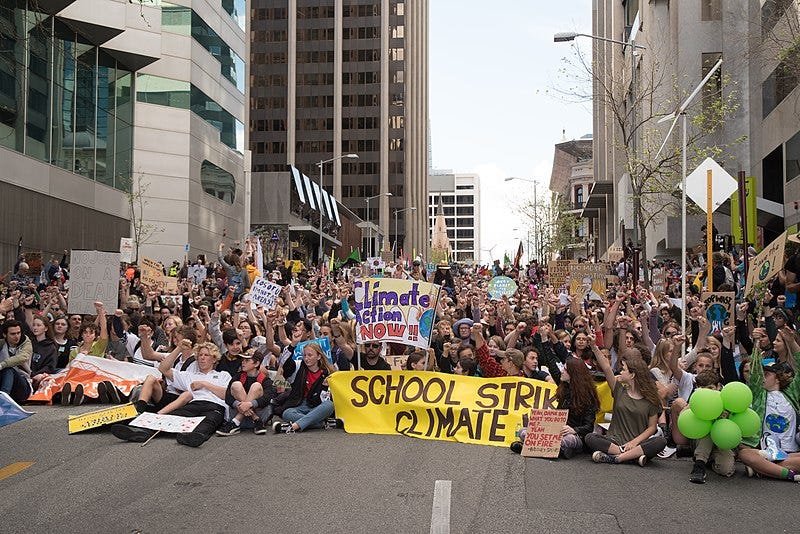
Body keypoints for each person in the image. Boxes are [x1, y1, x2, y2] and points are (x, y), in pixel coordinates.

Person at [111, 342, 230, 447]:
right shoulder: (190, 376)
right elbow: (163, 369)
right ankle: (140, 432)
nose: (202, 358)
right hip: (194, 404)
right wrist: (178, 348)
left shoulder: (223, 375)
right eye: (200, 355)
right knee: (170, 418)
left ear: (214, 359)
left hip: (215, 406)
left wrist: (204, 384)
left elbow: (226, 395)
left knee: (210, 420)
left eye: (206, 355)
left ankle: (193, 436)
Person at [585, 347, 667, 466]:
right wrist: (594, 346)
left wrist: (634, 442)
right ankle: (631, 457)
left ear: (632, 375)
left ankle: (617, 458)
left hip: (638, 443)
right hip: (614, 441)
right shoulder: (619, 390)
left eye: (624, 370)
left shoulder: (651, 399)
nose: (621, 372)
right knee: (590, 438)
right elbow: (607, 368)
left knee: (660, 441)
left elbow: (652, 428)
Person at [510, 357, 600, 458]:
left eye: (565, 369)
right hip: (557, 431)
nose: (561, 371)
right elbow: (558, 415)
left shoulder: (587, 396)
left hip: (575, 435)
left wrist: (574, 430)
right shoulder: (564, 388)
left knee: (567, 440)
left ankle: (530, 448)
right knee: (523, 432)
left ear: (573, 373)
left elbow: (589, 427)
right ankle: (555, 451)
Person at [272, 342, 336, 433]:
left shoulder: (327, 373)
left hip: (317, 406)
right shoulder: (299, 367)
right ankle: (320, 424)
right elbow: (284, 363)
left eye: (310, 355)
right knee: (287, 413)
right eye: (304, 355)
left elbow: (325, 400)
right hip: (300, 405)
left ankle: (295, 426)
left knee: (329, 405)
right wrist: (292, 345)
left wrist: (324, 388)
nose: (306, 358)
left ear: (318, 357)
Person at [686, 370, 735, 484]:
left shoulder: (728, 398)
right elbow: (684, 416)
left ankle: (704, 459)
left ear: (718, 387)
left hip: (722, 441)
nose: (708, 393)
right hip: (701, 438)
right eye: (704, 389)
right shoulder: (697, 398)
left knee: (726, 469)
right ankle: (699, 465)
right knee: (709, 427)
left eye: (710, 388)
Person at [216, 348, 276, 436]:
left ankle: (235, 423)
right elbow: (228, 396)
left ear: (256, 363)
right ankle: (254, 418)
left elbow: (266, 398)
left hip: (260, 416)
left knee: (256, 386)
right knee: (236, 385)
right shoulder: (237, 376)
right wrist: (239, 405)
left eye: (247, 360)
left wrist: (250, 404)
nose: (243, 362)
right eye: (243, 360)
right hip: (255, 420)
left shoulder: (265, 380)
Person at [0, 320, 33, 403]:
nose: (17, 336)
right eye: (13, 334)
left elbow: (22, 357)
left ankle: (3, 400)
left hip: (23, 384)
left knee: (9, 370)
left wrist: (2, 365)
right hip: (3, 380)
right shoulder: (1, 344)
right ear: (5, 335)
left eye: (18, 333)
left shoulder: (26, 343)